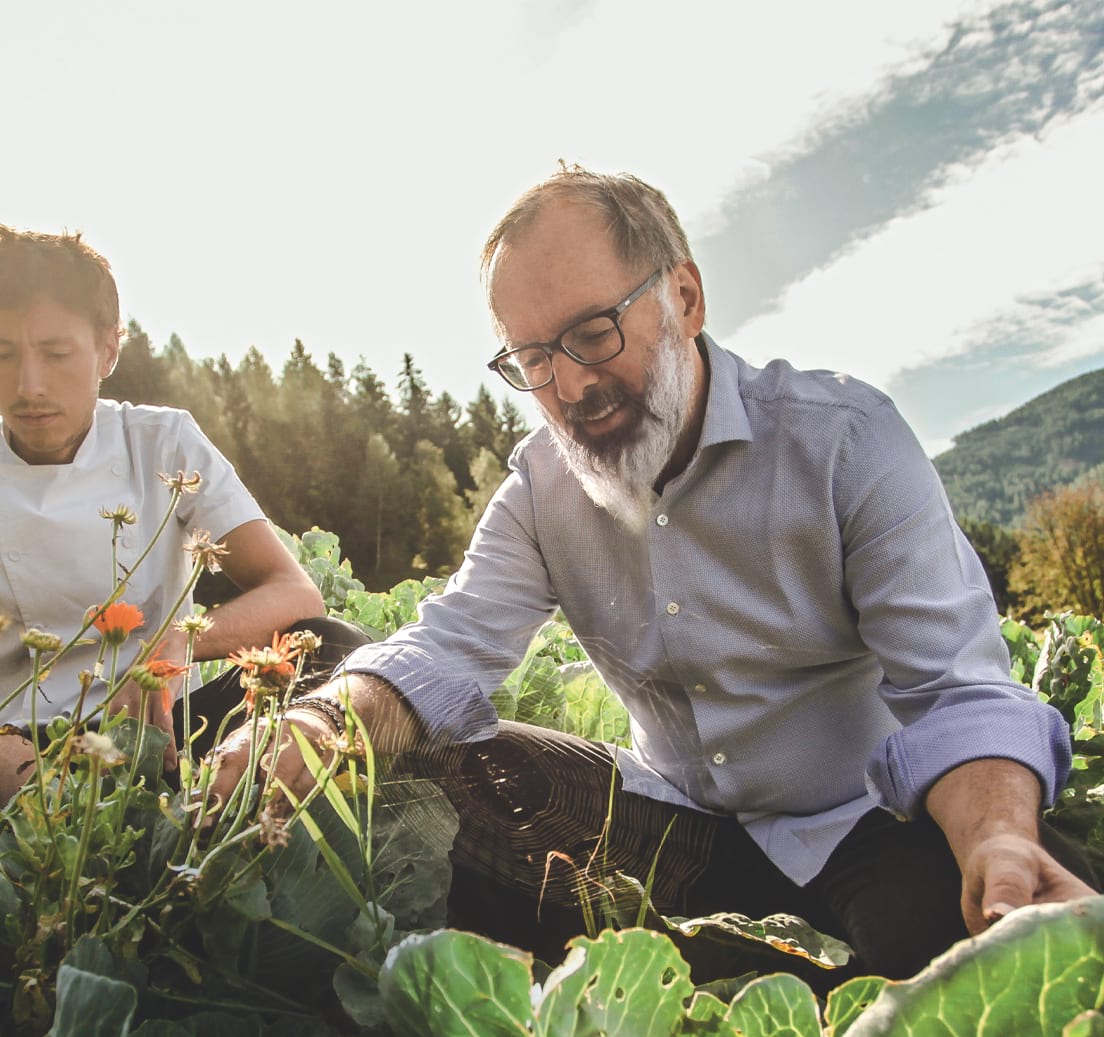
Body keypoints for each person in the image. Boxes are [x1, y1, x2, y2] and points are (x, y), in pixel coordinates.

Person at [211, 166, 1099, 981]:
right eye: (531, 359)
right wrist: (330, 723)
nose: (567, 386)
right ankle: (702, 961)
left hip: (862, 825)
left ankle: (738, 971)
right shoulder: (540, 485)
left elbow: (957, 693)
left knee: (977, 951)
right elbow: (453, 641)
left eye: (592, 335)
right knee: (398, 758)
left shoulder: (845, 442)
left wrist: (995, 836)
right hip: (668, 824)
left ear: (685, 296)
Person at [0, 224, 345, 804]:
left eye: (56, 354)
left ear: (108, 350)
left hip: (156, 732)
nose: (29, 385)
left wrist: (170, 647)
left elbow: (295, 594)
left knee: (335, 648)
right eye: (1, 354)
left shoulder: (164, 442)